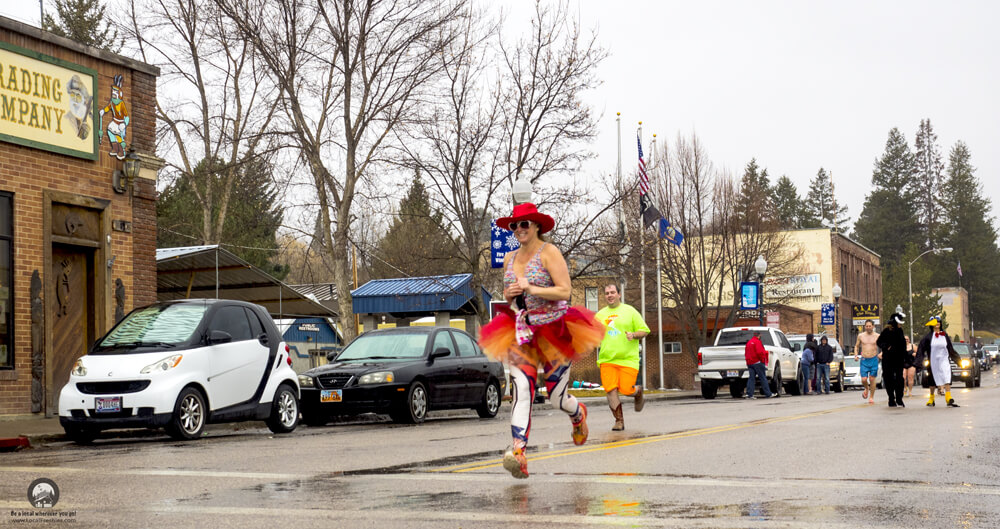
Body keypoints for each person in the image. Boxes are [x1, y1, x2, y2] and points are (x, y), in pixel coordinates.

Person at [478, 202, 605, 479]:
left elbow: (565, 290)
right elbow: (510, 293)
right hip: (521, 330)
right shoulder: (510, 258)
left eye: (524, 224)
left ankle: (577, 413)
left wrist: (531, 287)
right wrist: (511, 294)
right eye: (515, 225)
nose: (519, 229)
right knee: (521, 388)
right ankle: (519, 452)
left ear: (536, 226)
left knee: (556, 398)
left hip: (554, 330)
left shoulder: (549, 252)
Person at [595, 283, 651, 431]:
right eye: (607, 293)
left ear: (619, 294)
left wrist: (633, 335)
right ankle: (619, 421)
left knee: (626, 390)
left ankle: (637, 391)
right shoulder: (600, 315)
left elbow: (644, 331)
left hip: (628, 359)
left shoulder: (630, 311)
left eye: (612, 292)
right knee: (610, 390)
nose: (610, 295)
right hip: (607, 359)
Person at [916, 316, 961, 408]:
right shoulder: (928, 337)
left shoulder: (945, 335)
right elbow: (921, 349)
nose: (938, 323)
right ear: (932, 325)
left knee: (947, 376)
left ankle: (948, 398)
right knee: (932, 381)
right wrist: (918, 362)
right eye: (936, 322)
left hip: (944, 360)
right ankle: (931, 398)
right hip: (933, 361)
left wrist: (957, 360)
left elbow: (950, 349)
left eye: (939, 322)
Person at [876, 313, 908, 407]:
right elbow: (879, 342)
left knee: (899, 379)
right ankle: (891, 398)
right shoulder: (886, 331)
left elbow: (903, 345)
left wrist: (905, 357)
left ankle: (899, 398)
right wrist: (886, 347)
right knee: (888, 378)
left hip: (899, 359)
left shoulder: (900, 331)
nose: (900, 324)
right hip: (888, 359)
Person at [853, 320, 880, 404]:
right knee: (864, 379)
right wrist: (856, 355)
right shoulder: (861, 335)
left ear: (873, 326)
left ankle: (871, 397)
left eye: (869, 326)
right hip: (864, 360)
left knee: (872, 379)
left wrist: (881, 354)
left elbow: (885, 346)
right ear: (865, 327)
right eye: (867, 326)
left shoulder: (877, 336)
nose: (868, 327)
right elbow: (856, 346)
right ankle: (866, 388)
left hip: (873, 359)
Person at [744, 330, 777, 399]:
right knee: (763, 378)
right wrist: (762, 361)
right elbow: (760, 352)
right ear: (759, 335)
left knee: (751, 378)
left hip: (750, 363)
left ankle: (749, 394)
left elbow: (746, 353)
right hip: (757, 362)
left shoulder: (749, 342)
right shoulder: (758, 342)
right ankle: (768, 393)